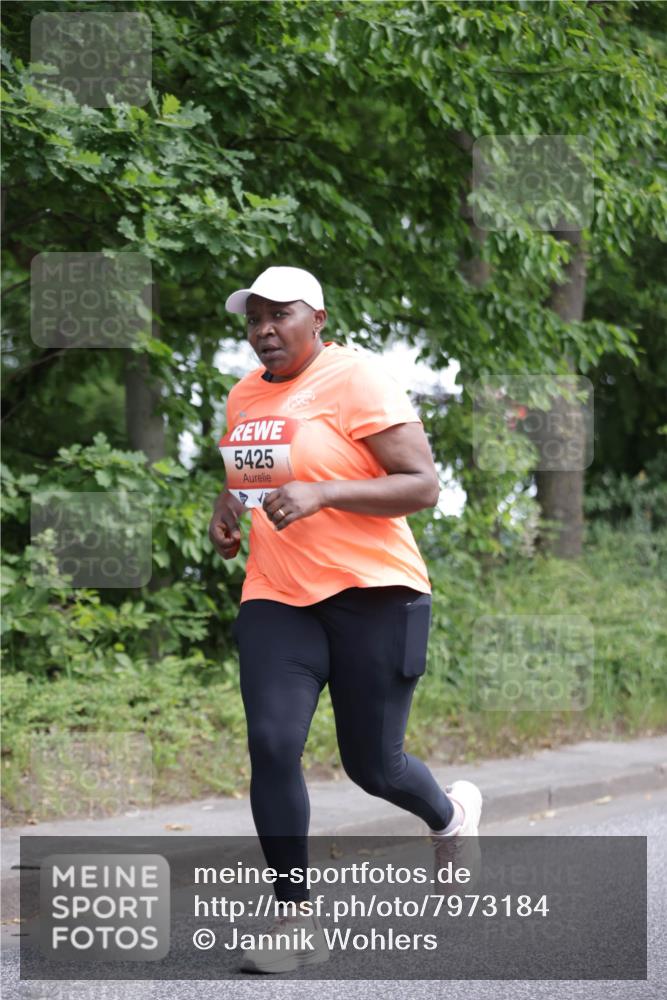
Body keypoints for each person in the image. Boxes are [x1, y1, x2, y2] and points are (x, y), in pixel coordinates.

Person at [209, 265, 482, 974]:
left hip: (374, 594)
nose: (264, 330)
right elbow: (252, 471)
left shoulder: (357, 379)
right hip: (277, 594)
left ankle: (448, 816)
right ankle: (294, 919)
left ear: (318, 318)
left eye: (280, 315)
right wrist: (227, 506)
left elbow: (421, 484)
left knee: (374, 766)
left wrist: (325, 492)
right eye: (254, 318)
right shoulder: (243, 394)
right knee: (272, 744)